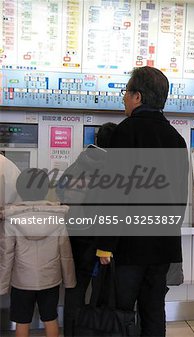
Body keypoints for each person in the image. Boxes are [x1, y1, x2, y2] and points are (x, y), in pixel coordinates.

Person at [94, 66, 189, 337]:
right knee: (153, 308)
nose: (123, 98)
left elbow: (116, 193)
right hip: (163, 245)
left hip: (130, 246)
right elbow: (179, 197)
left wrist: (105, 244)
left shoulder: (126, 132)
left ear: (137, 97)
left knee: (121, 310)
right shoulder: (176, 139)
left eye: (126, 92)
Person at [0, 168, 76, 337]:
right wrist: (69, 280)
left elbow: (7, 254)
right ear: (44, 189)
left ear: (20, 189)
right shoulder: (57, 216)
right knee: (51, 318)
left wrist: (2, 284)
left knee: (22, 320)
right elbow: (65, 251)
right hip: (50, 279)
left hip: (21, 281)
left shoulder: (12, 218)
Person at [58, 122, 117, 337]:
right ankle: (95, 331)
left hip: (75, 234)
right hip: (99, 236)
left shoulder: (78, 163)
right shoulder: (112, 168)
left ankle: (72, 332)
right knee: (102, 290)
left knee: (75, 287)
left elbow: (61, 191)